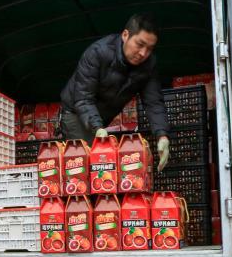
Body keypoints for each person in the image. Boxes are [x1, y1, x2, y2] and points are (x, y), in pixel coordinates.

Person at [59, 13, 170, 170]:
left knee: (104, 168)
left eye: (149, 49)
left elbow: (153, 102)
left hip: (101, 119)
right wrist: (97, 128)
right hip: (76, 113)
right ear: (125, 35)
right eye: (140, 44)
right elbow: (83, 98)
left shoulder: (148, 65)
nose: (143, 53)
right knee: (87, 168)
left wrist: (162, 135)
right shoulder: (97, 53)